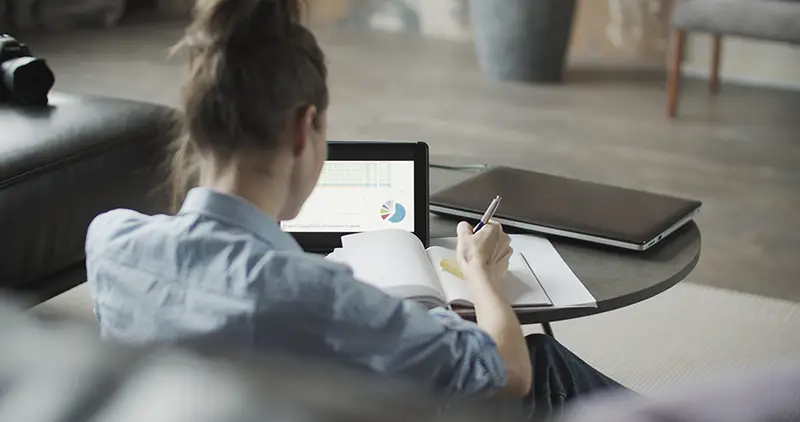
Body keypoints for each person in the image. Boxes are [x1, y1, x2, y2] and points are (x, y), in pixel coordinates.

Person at [84, 0, 625, 418]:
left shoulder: (109, 242)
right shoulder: (321, 297)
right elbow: (509, 375)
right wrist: (480, 274)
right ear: (304, 128)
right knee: (542, 362)